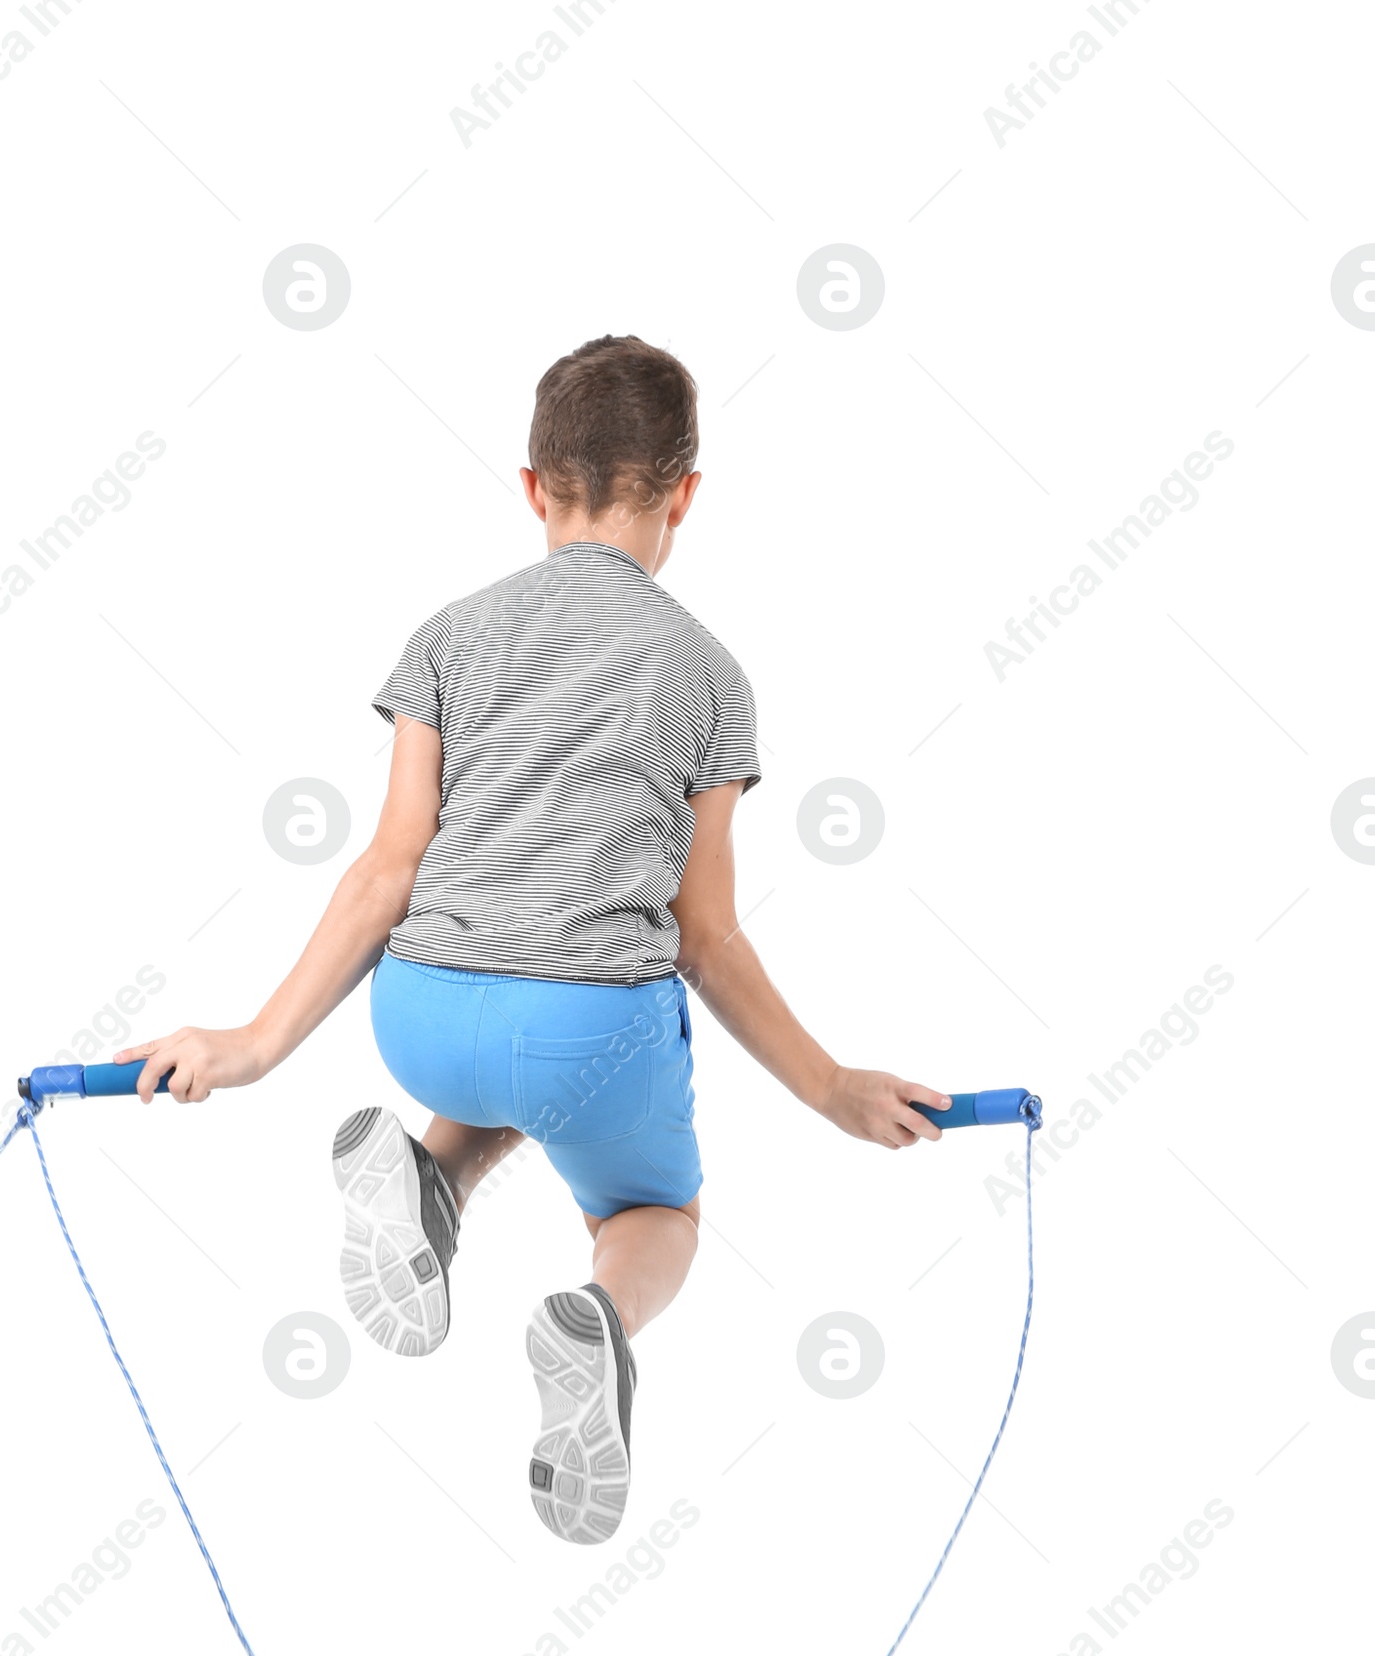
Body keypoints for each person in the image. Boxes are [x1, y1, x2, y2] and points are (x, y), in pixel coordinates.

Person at [117, 334, 950, 1547]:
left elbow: (384, 870)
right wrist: (829, 1090)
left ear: (530, 487)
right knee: (653, 1211)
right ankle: (602, 1325)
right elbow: (705, 937)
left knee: (519, 1023)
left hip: (418, 1020)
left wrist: (250, 1044)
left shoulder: (449, 635)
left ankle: (433, 1181)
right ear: (683, 496)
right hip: (586, 1035)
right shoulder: (708, 674)